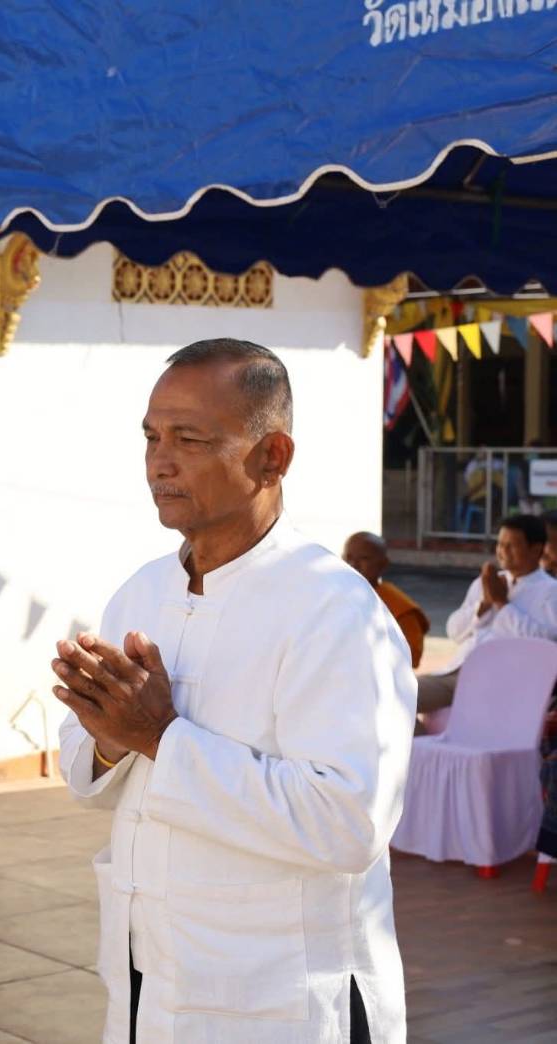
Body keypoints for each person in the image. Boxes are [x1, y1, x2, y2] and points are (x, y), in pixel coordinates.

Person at [55, 339, 414, 1044]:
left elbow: (349, 825)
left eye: (189, 439)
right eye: (151, 437)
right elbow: (88, 769)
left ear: (272, 457)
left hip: (281, 994)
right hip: (150, 973)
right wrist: (108, 736)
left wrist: (159, 738)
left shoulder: (333, 609)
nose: (160, 461)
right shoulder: (141, 590)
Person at [417, 514, 557, 717]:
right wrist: (484, 605)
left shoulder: (550, 591)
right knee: (391, 697)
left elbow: (544, 644)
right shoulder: (489, 582)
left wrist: (502, 604)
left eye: (511, 546)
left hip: (502, 681)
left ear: (536, 550)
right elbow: (454, 632)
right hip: (458, 672)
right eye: (500, 544)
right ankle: (419, 739)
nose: (502, 551)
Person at [343, 532, 430, 668]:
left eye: (364, 558)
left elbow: (412, 657)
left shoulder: (399, 606)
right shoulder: (334, 597)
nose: (353, 565)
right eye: (348, 558)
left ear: (383, 564)